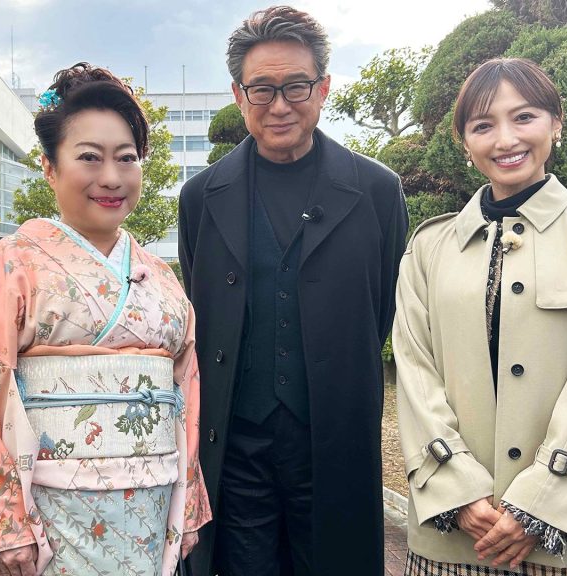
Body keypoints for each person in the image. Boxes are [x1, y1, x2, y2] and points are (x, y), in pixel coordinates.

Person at [0, 63, 211, 576]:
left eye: (127, 158)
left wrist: (186, 498)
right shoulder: (14, 263)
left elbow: (185, 393)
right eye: (89, 157)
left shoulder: (162, 279)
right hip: (42, 514)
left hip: (151, 507)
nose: (111, 177)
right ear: (49, 168)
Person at [394, 57, 567, 575]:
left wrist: (544, 501)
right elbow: (415, 372)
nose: (506, 139)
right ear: (464, 143)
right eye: (483, 125)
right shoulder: (429, 247)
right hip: (455, 536)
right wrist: (457, 490)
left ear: (556, 123)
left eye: (524, 117)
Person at [179, 6, 408, 575]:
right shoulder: (201, 197)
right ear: (239, 95)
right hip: (236, 444)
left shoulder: (378, 191)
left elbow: (380, 310)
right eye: (261, 89)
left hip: (334, 435)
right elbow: (201, 309)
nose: (279, 105)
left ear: (323, 88)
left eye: (296, 86)